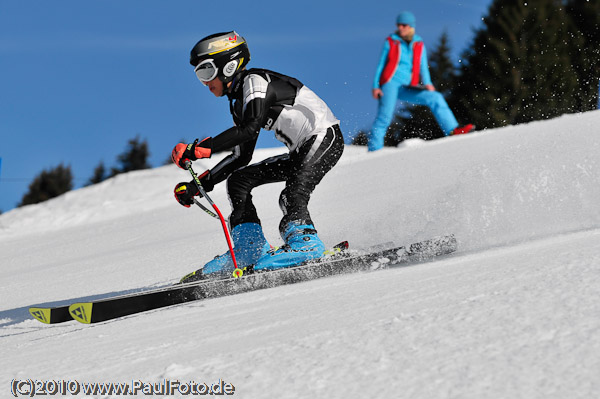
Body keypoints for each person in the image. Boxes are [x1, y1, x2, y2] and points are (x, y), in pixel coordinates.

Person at [171, 32, 344, 280]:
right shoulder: (238, 102)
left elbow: (249, 128)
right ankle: (249, 250)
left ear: (229, 65)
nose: (205, 83)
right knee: (239, 180)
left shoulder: (255, 81)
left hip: (324, 137)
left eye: (206, 72)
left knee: (293, 194)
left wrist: (201, 148)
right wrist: (199, 185)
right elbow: (241, 156)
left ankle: (307, 245)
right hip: (300, 150)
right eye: (199, 76)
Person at [368, 11, 474, 151]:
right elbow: (381, 64)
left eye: (404, 25)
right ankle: (374, 148)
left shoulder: (418, 43)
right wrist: (376, 86)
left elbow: (423, 66)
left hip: (408, 86)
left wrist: (428, 83)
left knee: (435, 97)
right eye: (399, 25)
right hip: (390, 83)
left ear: (411, 26)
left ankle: (452, 131)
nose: (400, 28)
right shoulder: (391, 41)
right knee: (385, 117)